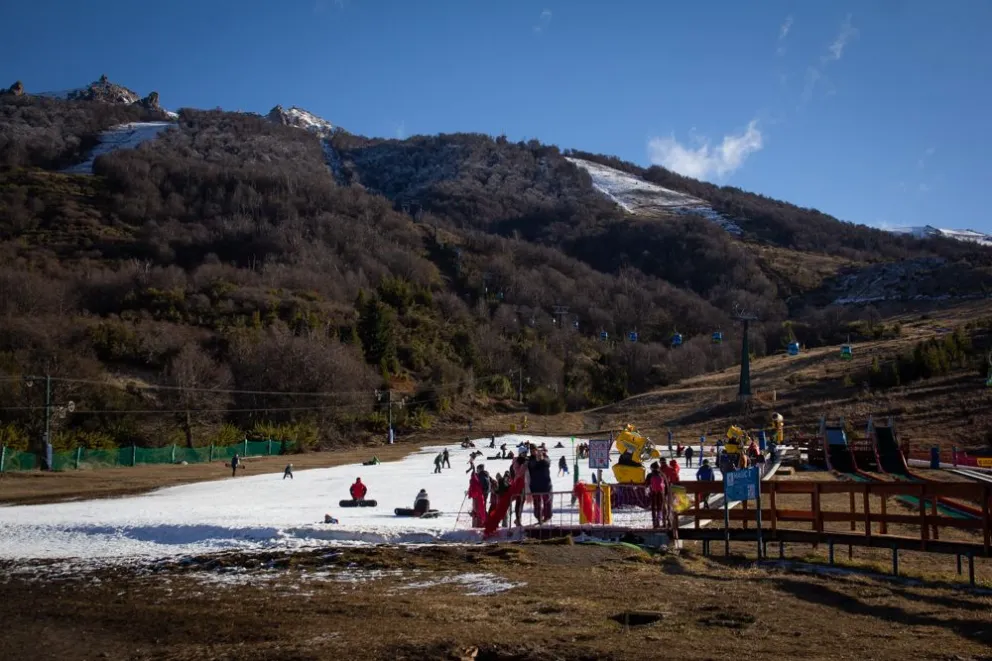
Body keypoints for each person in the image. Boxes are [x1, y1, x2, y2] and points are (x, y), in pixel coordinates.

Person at [528, 448, 553, 524]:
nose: (539, 456)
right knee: (537, 504)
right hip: (536, 487)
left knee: (547, 503)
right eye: (537, 455)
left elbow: (548, 462)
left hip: (545, 486)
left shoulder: (545, 462)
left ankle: (547, 517)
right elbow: (530, 464)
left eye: (540, 455)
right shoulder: (532, 463)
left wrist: (543, 457)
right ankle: (539, 518)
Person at [645, 462, 667, 529]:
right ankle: (663, 522)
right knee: (661, 507)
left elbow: (646, 484)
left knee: (653, 508)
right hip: (661, 493)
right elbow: (666, 484)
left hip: (653, 493)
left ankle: (655, 524)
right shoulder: (662, 474)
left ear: (652, 468)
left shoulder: (650, 475)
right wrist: (665, 493)